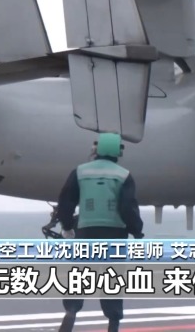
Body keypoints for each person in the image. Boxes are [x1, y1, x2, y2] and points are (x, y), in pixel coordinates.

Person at [56, 132, 144, 332]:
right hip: (115, 234)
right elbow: (128, 207)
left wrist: (67, 226)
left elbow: (66, 201)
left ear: (96, 150)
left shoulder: (80, 172)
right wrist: (137, 230)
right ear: (118, 152)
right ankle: (113, 323)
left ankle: (71, 311)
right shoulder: (124, 175)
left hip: (86, 231)